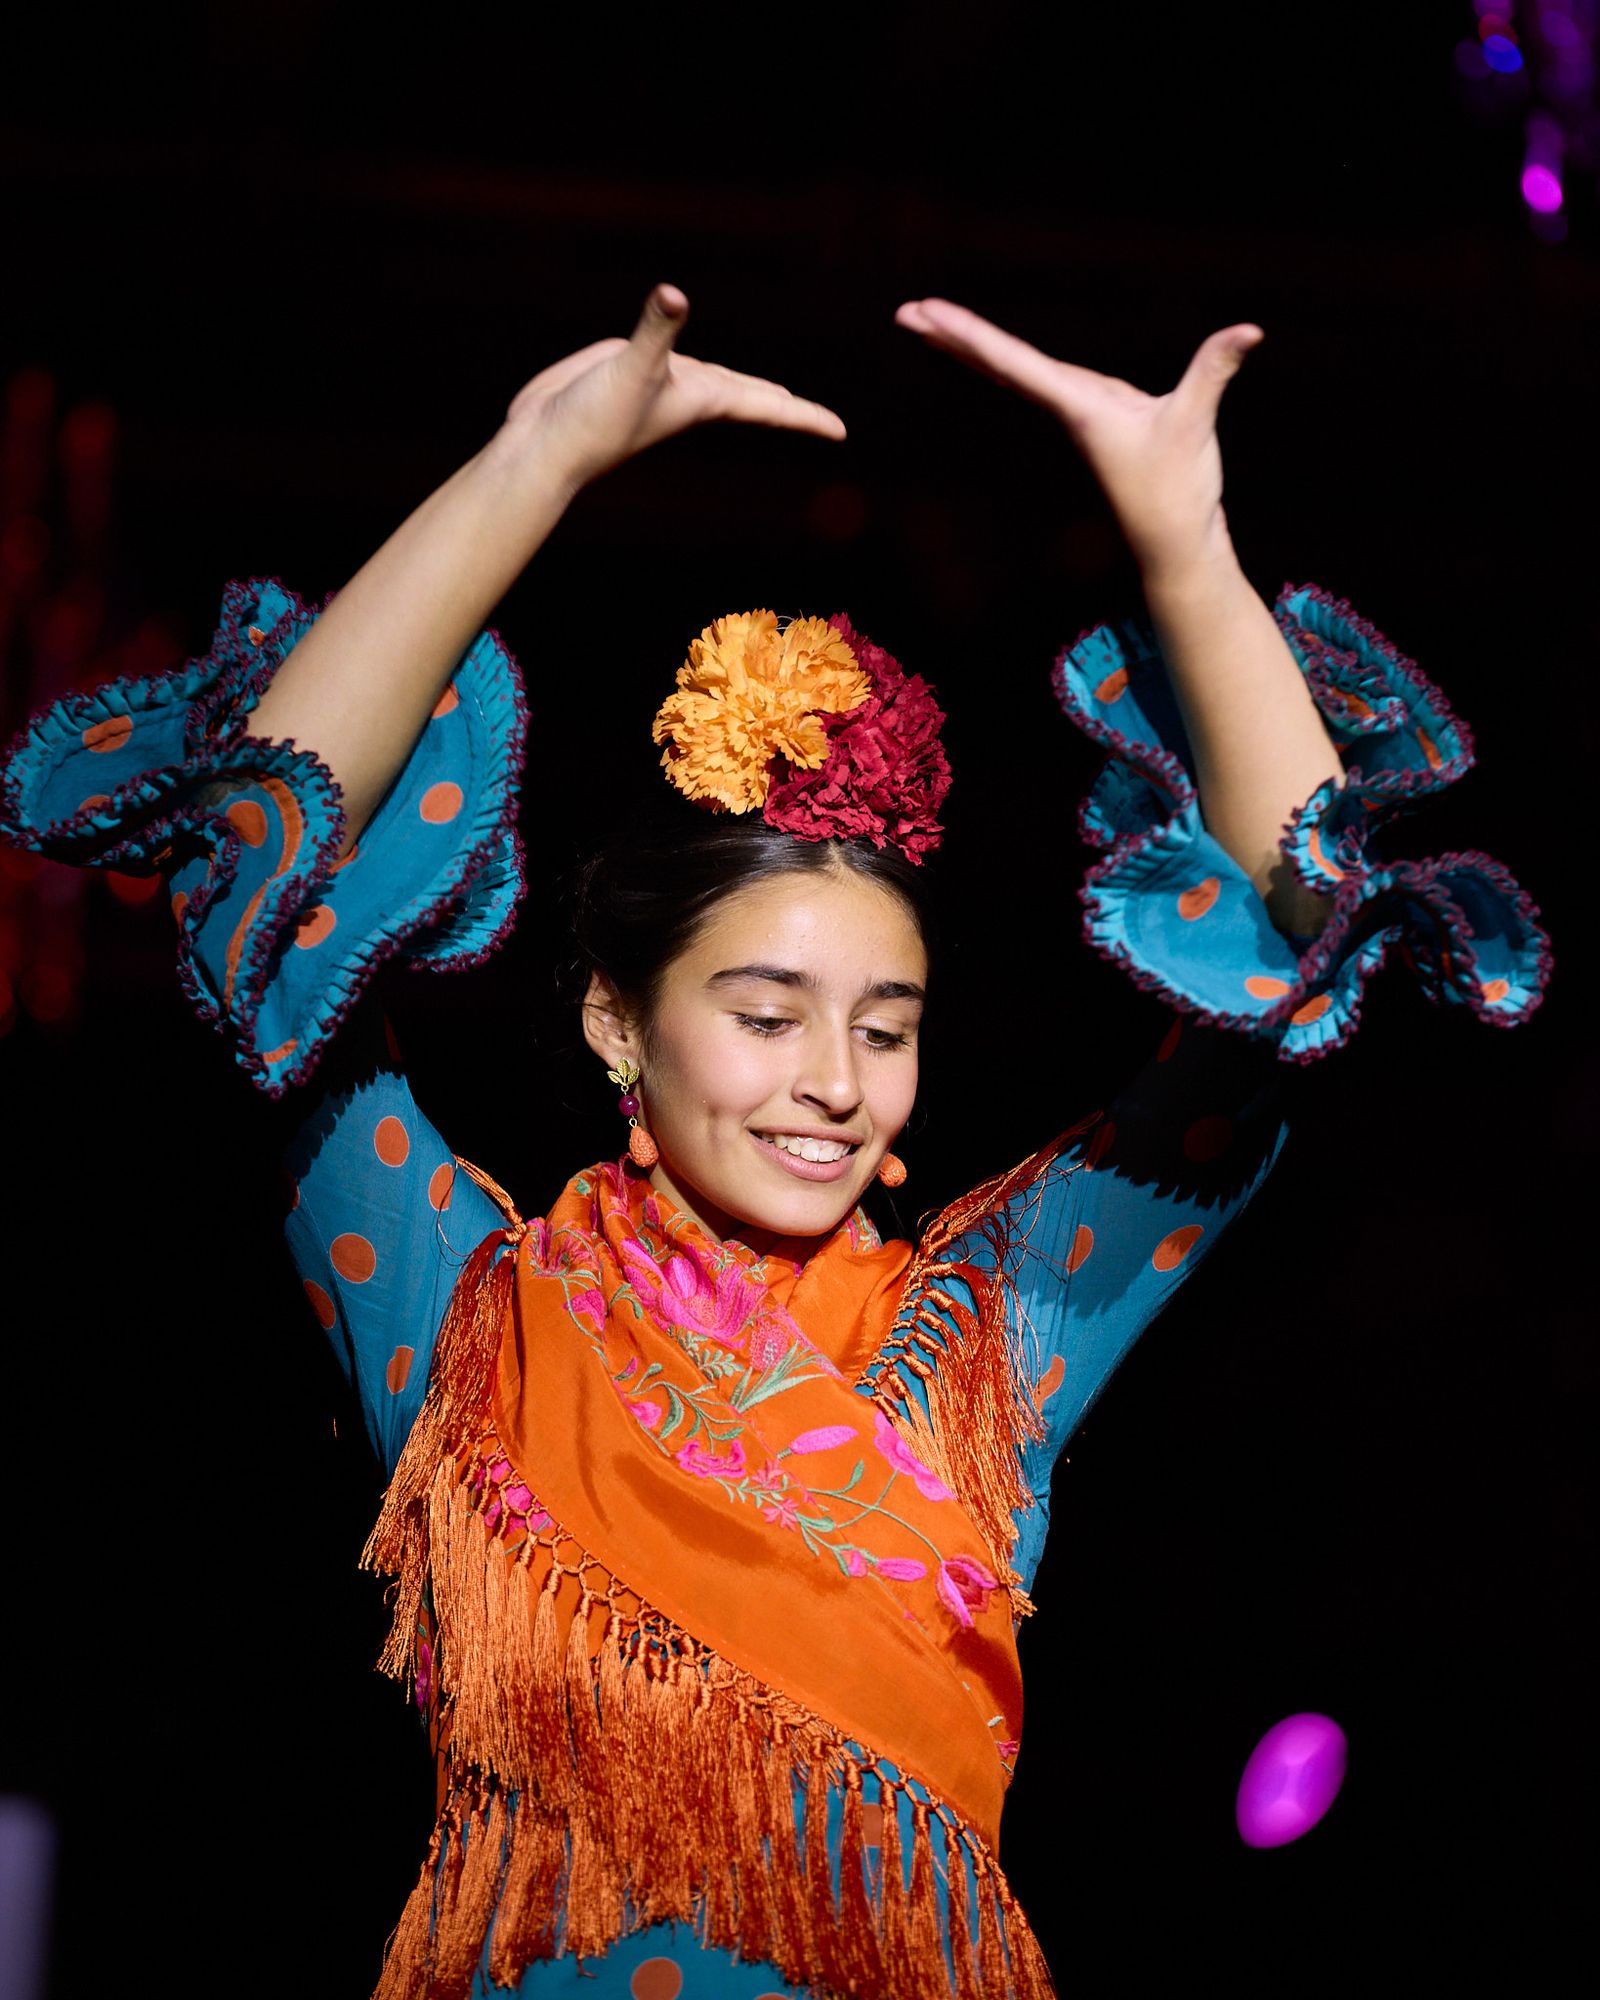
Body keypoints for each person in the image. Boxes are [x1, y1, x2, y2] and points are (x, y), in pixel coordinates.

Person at [0, 285, 1548, 2000]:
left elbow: (1283, 973)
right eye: (766, 1014)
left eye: (885, 1030)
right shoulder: (469, 1314)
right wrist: (534, 460)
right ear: (615, 1024)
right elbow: (262, 893)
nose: (834, 1078)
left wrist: (1187, 549)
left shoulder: (970, 1348)